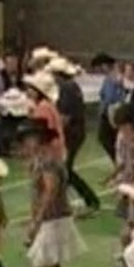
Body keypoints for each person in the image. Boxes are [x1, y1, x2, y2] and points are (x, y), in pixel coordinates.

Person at [17, 119, 88, 267]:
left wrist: (36, 220)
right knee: (44, 266)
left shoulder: (47, 162)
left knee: (49, 265)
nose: (26, 143)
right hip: (51, 219)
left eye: (29, 138)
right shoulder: (42, 160)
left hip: (53, 219)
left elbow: (50, 191)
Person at [48, 57, 101, 214]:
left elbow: (65, 117)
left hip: (71, 133)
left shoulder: (66, 89)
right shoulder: (72, 86)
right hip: (76, 131)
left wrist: (53, 133)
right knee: (65, 169)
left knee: (65, 169)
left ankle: (89, 199)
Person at [91, 53, 125, 161]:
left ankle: (119, 161)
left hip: (113, 111)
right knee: (105, 138)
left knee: (108, 138)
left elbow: (111, 96)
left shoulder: (115, 77)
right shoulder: (110, 77)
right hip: (108, 111)